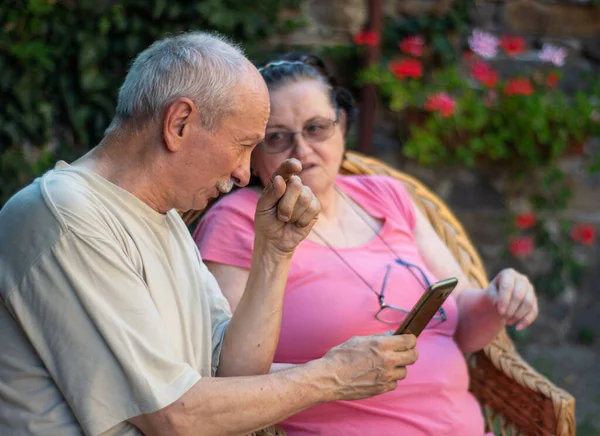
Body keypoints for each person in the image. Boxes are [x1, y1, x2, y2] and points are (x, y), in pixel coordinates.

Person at [0, 34, 420, 436]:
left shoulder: (163, 218)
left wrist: (274, 252)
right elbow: (175, 418)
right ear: (179, 123)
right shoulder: (66, 216)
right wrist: (330, 378)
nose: (243, 172)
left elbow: (233, 375)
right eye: (243, 145)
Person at [193, 53, 540, 435]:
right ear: (253, 153)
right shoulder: (239, 221)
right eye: (277, 138)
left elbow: (464, 325)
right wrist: (330, 375)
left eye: (316, 128)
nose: (303, 151)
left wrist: (499, 299)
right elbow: (225, 371)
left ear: (341, 125)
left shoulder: (387, 195)